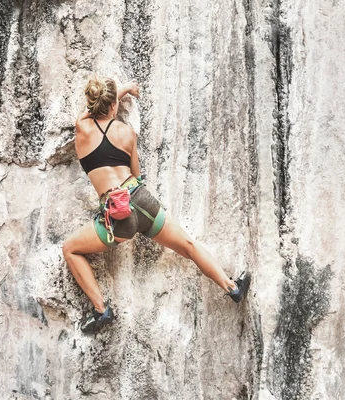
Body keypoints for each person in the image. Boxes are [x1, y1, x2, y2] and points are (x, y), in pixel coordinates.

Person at [62, 76, 251, 333]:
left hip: (118, 215)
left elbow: (90, 112)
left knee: (70, 249)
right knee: (188, 245)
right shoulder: (127, 133)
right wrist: (126, 89)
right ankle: (232, 287)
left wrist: (120, 91)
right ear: (113, 106)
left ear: (93, 102)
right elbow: (137, 174)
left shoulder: (82, 129)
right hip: (141, 200)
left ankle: (101, 310)